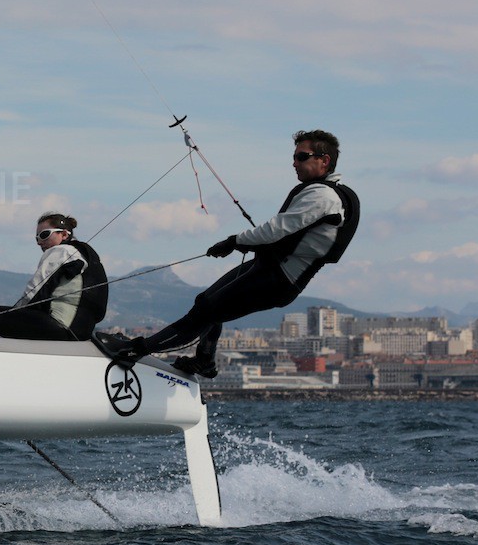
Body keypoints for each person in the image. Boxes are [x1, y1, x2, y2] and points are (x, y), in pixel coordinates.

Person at [114, 129, 359, 377]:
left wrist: (233, 242)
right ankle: (204, 361)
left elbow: (275, 230)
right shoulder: (319, 191)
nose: (294, 163)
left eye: (302, 157)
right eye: (294, 157)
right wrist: (238, 243)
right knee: (205, 303)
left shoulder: (324, 196)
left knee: (205, 311)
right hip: (267, 267)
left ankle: (136, 351)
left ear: (324, 160)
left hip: (280, 280)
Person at [0, 213, 109, 340]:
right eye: (37, 238)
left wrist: (10, 316)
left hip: (59, 326)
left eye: (44, 235)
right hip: (80, 332)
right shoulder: (85, 255)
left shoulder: (61, 251)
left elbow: (34, 292)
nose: (39, 242)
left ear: (63, 234)